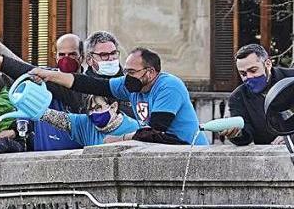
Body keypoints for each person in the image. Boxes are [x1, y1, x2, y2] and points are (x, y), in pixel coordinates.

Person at [30, 47, 208, 145]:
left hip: (188, 151)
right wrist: (49, 75)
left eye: (132, 71)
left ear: (151, 72)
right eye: (126, 71)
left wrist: (117, 140)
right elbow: (88, 84)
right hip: (163, 150)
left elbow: (155, 131)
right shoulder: (130, 86)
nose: (127, 76)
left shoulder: (169, 87)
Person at [224, 44, 294, 146]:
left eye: (253, 70)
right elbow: (246, 135)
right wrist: (237, 133)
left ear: (268, 64)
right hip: (268, 155)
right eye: (243, 74)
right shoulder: (237, 97)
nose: (249, 77)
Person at [36, 94, 142, 147]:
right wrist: (36, 110)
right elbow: (60, 119)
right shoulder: (87, 123)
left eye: (98, 108)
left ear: (114, 107)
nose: (93, 113)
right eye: (90, 110)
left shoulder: (133, 127)